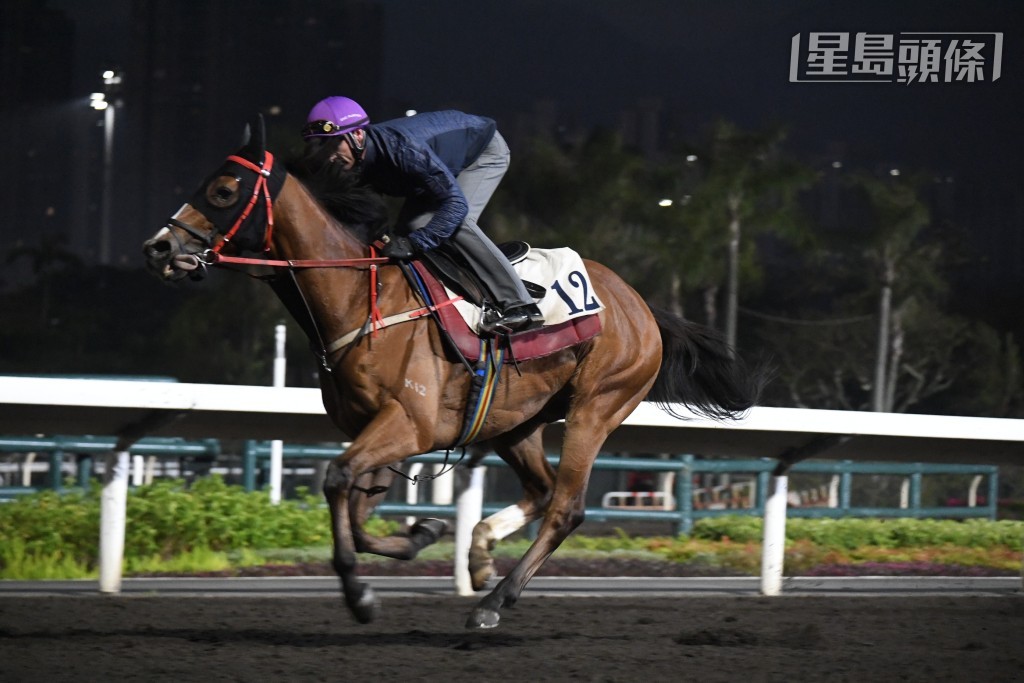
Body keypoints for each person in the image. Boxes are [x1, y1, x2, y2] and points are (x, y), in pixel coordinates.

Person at [301, 96, 544, 334]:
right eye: (321, 146)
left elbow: (456, 205)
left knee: (456, 224)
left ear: (357, 135)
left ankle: (520, 304)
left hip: (481, 153)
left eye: (333, 144)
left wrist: (416, 243)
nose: (329, 155)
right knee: (413, 226)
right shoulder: (355, 160)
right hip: (437, 169)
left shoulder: (402, 149)